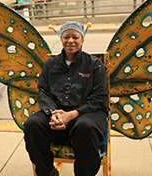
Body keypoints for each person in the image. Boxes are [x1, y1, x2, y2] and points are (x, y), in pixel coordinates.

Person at [23, 21, 109, 176]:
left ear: (82, 40)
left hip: (88, 114)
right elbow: (43, 91)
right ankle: (47, 172)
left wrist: (73, 114)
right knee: (32, 124)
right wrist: (53, 113)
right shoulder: (51, 64)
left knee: (85, 126)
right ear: (61, 39)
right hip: (58, 114)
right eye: (66, 37)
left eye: (75, 37)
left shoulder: (94, 64)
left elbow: (99, 98)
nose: (70, 40)